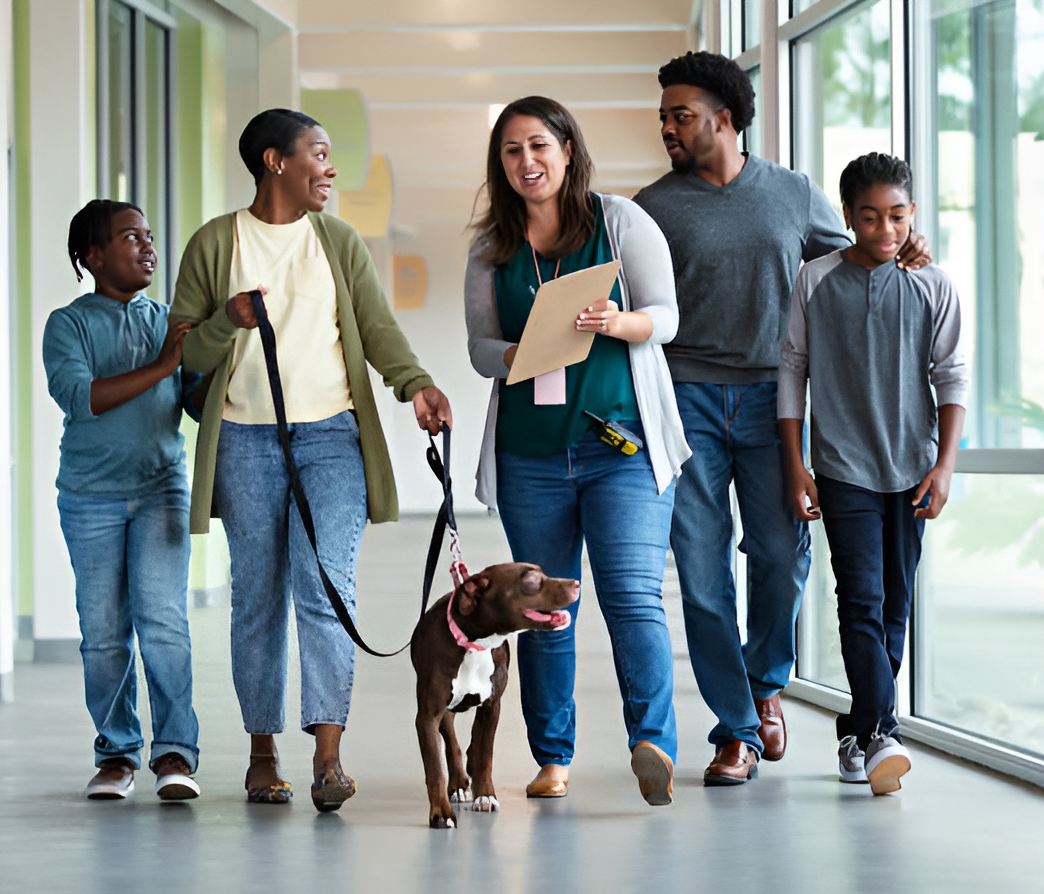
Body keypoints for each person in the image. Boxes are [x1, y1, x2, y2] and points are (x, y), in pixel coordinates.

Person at [633, 51, 931, 785]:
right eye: (664, 114)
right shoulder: (653, 207)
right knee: (702, 575)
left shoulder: (793, 194)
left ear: (726, 119)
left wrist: (910, 250)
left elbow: (858, 256)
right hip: (686, 402)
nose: (666, 125)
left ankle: (766, 680)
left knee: (778, 557)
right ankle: (735, 729)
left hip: (777, 404)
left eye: (681, 114)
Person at [169, 108, 452, 811]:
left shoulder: (336, 241)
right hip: (242, 438)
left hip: (330, 437)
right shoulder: (215, 244)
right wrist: (223, 322)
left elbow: (377, 327)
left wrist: (415, 385)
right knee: (257, 602)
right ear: (275, 162)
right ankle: (263, 754)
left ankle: (328, 757)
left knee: (326, 591)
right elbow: (181, 354)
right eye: (318, 154)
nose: (328, 168)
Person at [464, 95, 691, 806]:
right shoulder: (490, 247)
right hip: (532, 455)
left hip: (619, 446)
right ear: (500, 165)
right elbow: (478, 349)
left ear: (566, 149)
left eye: (539, 145)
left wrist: (616, 320)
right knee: (543, 611)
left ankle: (652, 744)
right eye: (511, 151)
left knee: (631, 595)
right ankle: (552, 757)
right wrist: (522, 351)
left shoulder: (620, 221)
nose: (526, 161)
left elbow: (667, 317)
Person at [778, 152, 967, 794]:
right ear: (849, 217)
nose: (885, 230)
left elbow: (952, 375)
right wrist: (795, 462)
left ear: (912, 214)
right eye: (870, 216)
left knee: (896, 602)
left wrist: (945, 464)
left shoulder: (933, 283)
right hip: (842, 467)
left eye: (898, 216)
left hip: (913, 466)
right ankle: (885, 731)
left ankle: (856, 728)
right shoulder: (815, 279)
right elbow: (792, 370)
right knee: (861, 599)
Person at [43, 199, 203, 801]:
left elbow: (191, 399)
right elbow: (81, 398)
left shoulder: (168, 318)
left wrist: (212, 360)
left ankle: (174, 754)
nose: (148, 247)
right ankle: (116, 755)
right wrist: (167, 362)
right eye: (131, 237)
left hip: (162, 488)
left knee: (163, 624)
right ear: (93, 255)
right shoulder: (68, 324)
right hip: (90, 499)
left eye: (150, 236)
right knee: (105, 633)